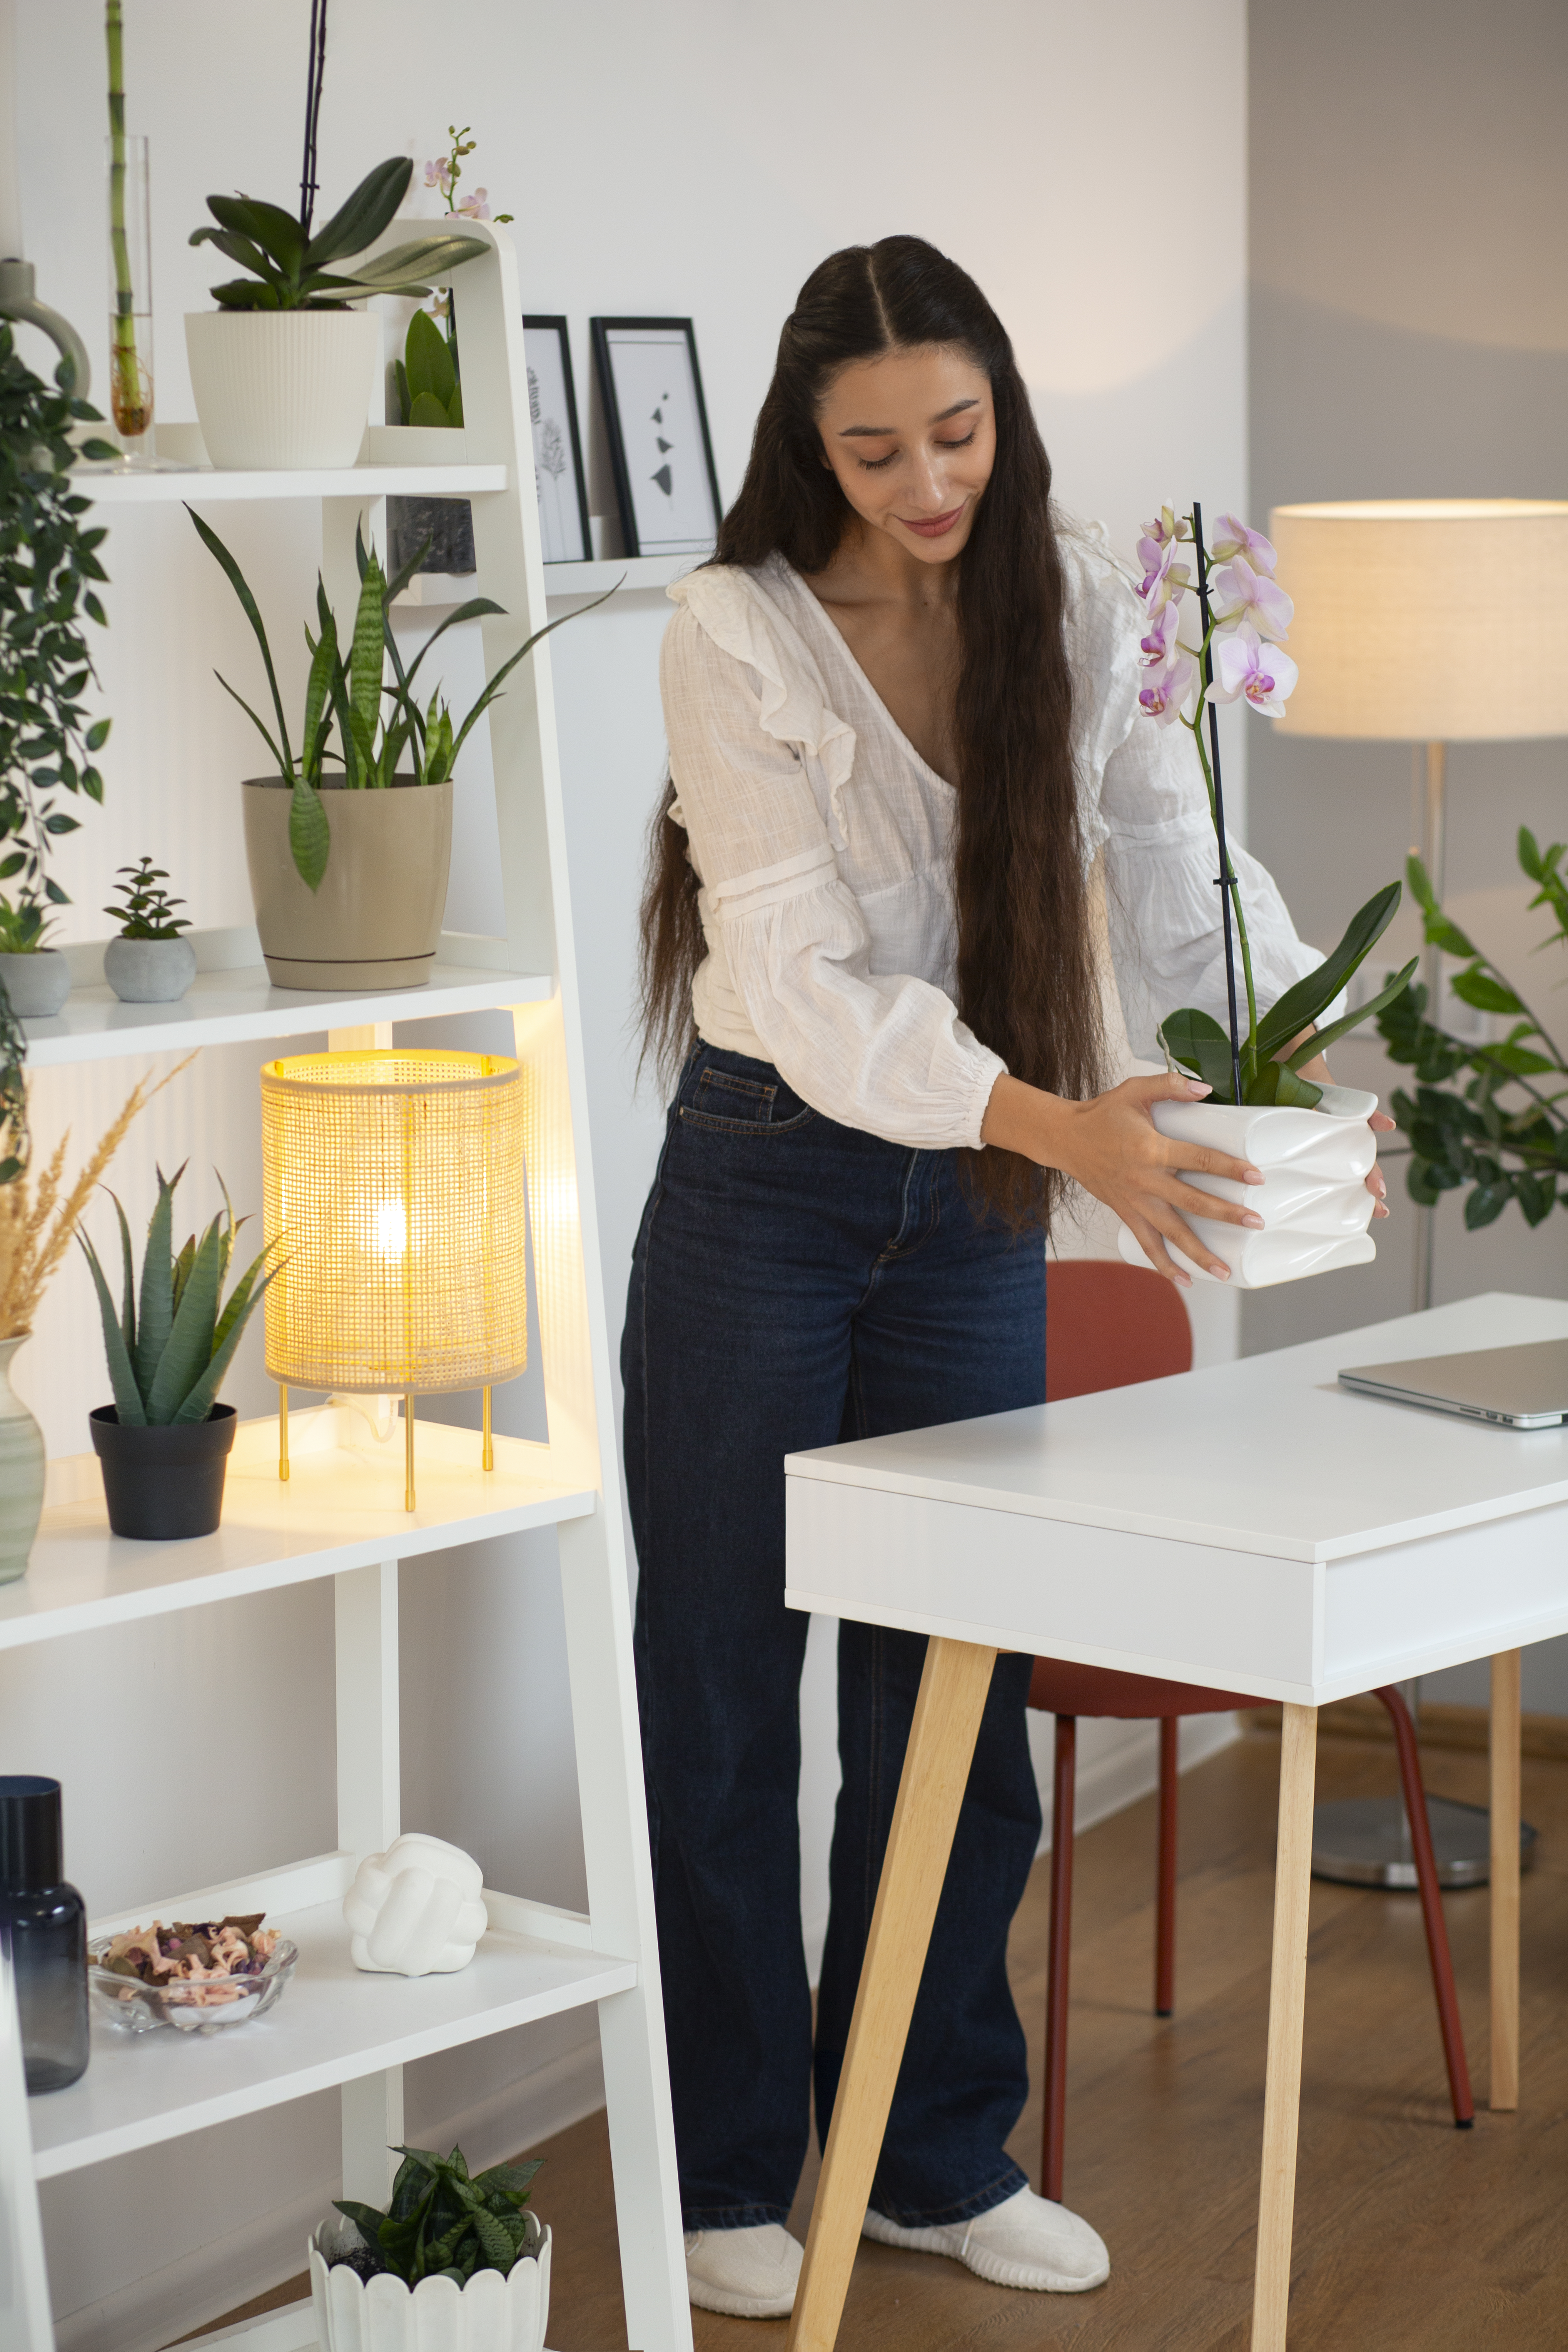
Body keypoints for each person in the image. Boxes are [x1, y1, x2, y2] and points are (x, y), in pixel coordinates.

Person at [622, 234, 1389, 2323]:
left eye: (952, 432)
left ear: (1002, 408)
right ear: (808, 443)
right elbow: (784, 980)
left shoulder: (1054, 591)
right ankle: (713, 2164)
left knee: (955, 1694)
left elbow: (1164, 855)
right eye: (871, 448)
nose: (923, 480)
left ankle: (929, 2151)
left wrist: (1286, 1057)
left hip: (959, 1213)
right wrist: (1071, 1137)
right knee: (717, 1689)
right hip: (768, 1194)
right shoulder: (733, 631)